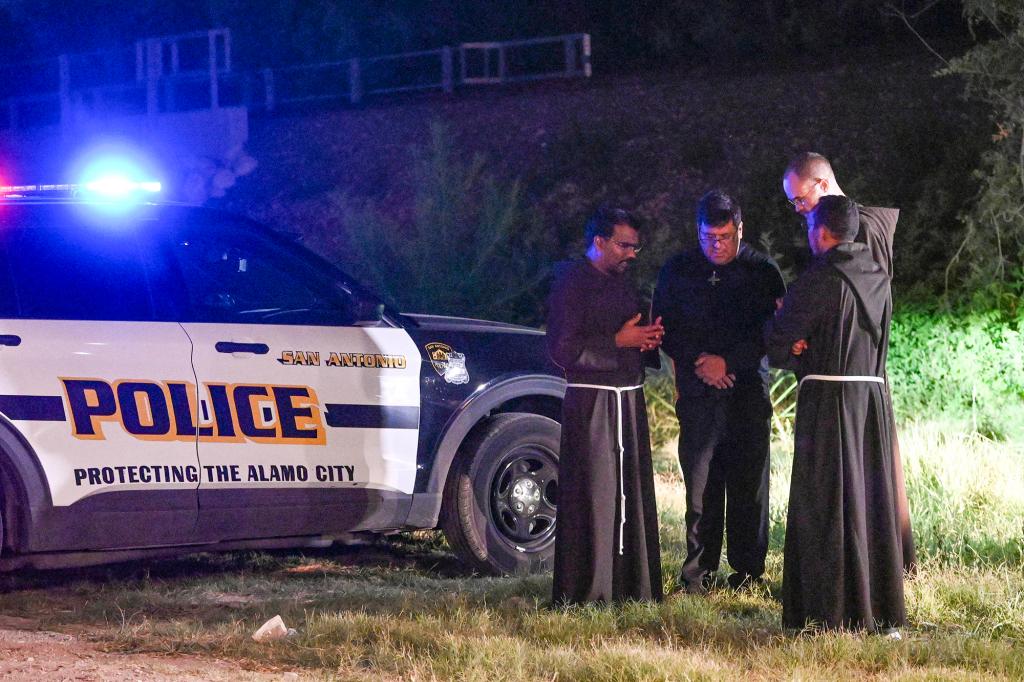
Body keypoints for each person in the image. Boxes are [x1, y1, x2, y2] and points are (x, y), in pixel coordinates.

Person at [766, 195, 906, 634]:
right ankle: (880, 613)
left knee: (824, 503)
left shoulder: (818, 281)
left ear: (820, 232)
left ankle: (825, 612)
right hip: (871, 405)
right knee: (870, 503)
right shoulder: (881, 277)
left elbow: (775, 346)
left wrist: (790, 339)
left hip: (828, 408)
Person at [781, 152, 916, 576]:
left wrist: (802, 332)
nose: (798, 210)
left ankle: (858, 568)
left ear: (821, 185)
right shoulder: (838, 228)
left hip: (852, 375)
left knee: (855, 477)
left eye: (800, 200)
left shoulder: (860, 229)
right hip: (850, 376)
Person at [652, 190, 785, 594]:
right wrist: (701, 363)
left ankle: (747, 571)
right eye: (709, 237)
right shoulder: (678, 270)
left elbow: (773, 332)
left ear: (740, 230)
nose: (717, 246)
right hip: (698, 390)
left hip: (746, 389)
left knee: (748, 483)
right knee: (700, 484)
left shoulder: (762, 271)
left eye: (725, 237)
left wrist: (729, 362)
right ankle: (698, 571)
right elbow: (665, 327)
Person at [546, 206, 664, 605]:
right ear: (599, 242)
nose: (632, 254)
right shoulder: (570, 282)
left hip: (628, 400)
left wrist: (646, 341)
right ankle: (591, 590)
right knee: (594, 496)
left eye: (636, 247)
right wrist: (618, 343)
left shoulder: (623, 281)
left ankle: (633, 588)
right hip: (592, 404)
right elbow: (562, 349)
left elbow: (627, 334)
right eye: (624, 245)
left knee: (630, 490)